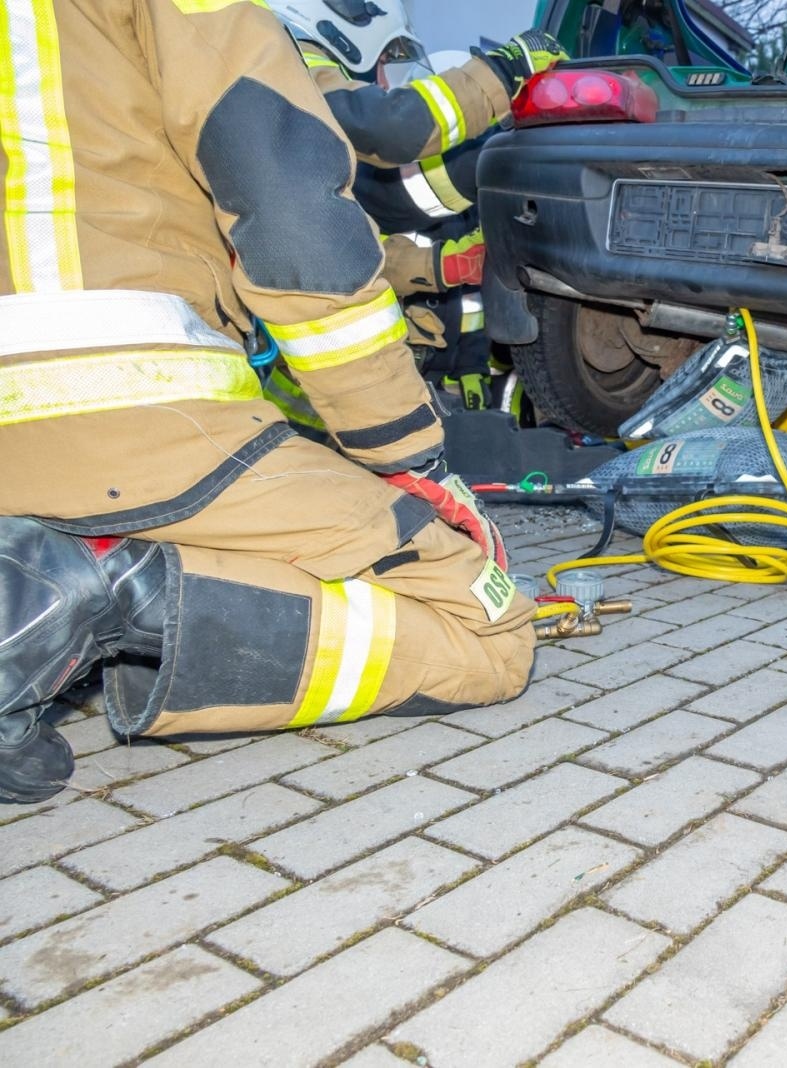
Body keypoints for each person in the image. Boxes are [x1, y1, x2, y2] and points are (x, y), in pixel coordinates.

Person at [0, 0, 542, 803]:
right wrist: (408, 457)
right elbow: (289, 208)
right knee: (488, 631)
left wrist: (435, 271)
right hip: (120, 403)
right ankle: (97, 583)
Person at [263, 1, 564, 418]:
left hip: (376, 401)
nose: (383, 78)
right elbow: (390, 136)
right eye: (385, 58)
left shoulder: (271, 95)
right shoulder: (285, 71)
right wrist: (505, 73)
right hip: (325, 406)